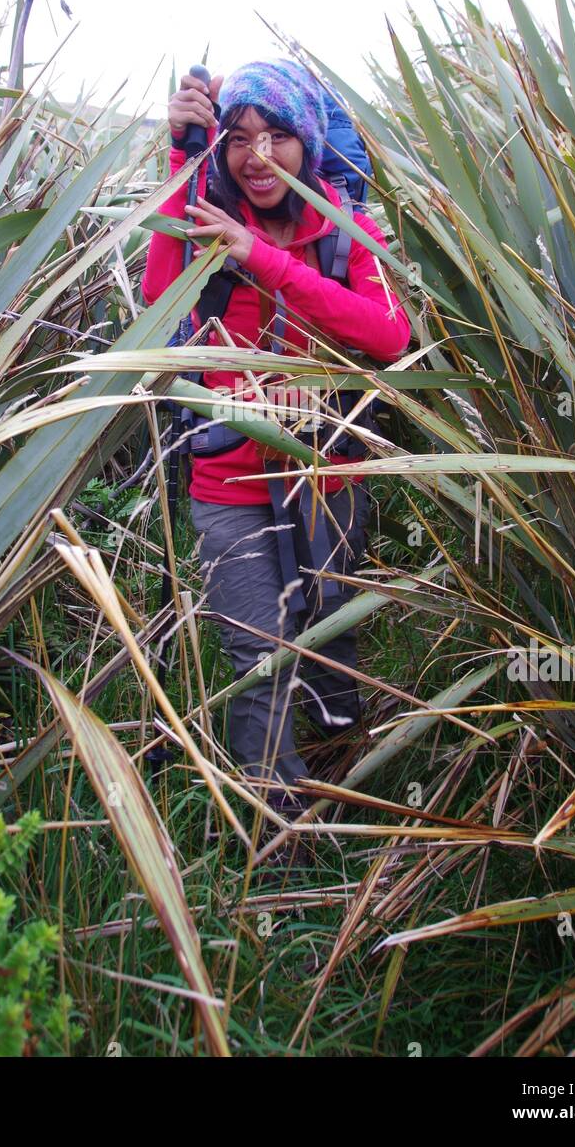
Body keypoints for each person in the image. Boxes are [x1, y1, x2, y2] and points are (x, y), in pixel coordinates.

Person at [141, 60, 411, 818]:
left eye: (277, 137)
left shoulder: (347, 228)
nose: (256, 157)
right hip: (227, 480)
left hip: (327, 476)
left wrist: (259, 258)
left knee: (327, 633)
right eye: (237, 138)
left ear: (307, 140)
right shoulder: (208, 210)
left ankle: (343, 783)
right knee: (257, 657)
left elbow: (389, 334)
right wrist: (182, 156)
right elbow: (161, 301)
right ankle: (273, 833)